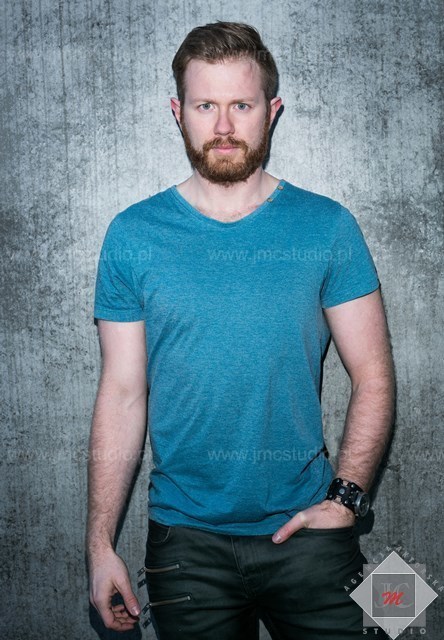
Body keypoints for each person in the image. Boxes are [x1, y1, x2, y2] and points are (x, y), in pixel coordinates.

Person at [86, 21, 395, 640]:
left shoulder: (328, 226)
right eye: (206, 105)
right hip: (184, 545)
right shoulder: (132, 234)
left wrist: (347, 500)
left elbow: (375, 376)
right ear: (178, 112)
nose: (224, 126)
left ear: (271, 112)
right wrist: (98, 546)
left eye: (242, 106)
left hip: (312, 534)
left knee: (400, 619)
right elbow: (121, 392)